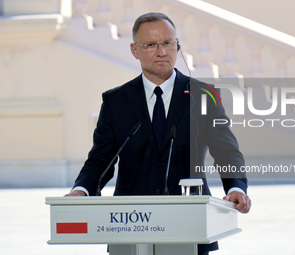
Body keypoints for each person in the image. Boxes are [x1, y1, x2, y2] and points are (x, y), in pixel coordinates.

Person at [65, 12, 251, 254]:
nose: (162, 52)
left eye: (168, 43)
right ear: (135, 50)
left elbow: (226, 152)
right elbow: (101, 159)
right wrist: (82, 189)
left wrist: (236, 188)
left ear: (177, 46)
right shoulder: (116, 101)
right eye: (151, 45)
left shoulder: (205, 96)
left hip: (191, 223)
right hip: (128, 225)